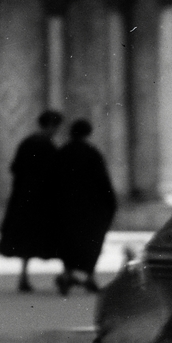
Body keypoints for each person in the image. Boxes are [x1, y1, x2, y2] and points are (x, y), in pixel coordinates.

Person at [0, 110, 64, 293]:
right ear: (50, 125)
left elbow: (15, 167)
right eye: (56, 127)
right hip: (39, 199)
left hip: (25, 197)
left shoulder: (28, 143)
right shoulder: (45, 146)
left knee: (27, 239)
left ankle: (24, 276)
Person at [54, 119, 118, 296]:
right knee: (91, 242)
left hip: (66, 206)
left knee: (69, 242)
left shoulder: (63, 152)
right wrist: (111, 202)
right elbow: (102, 180)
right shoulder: (92, 153)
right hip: (90, 208)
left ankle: (68, 274)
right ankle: (89, 276)